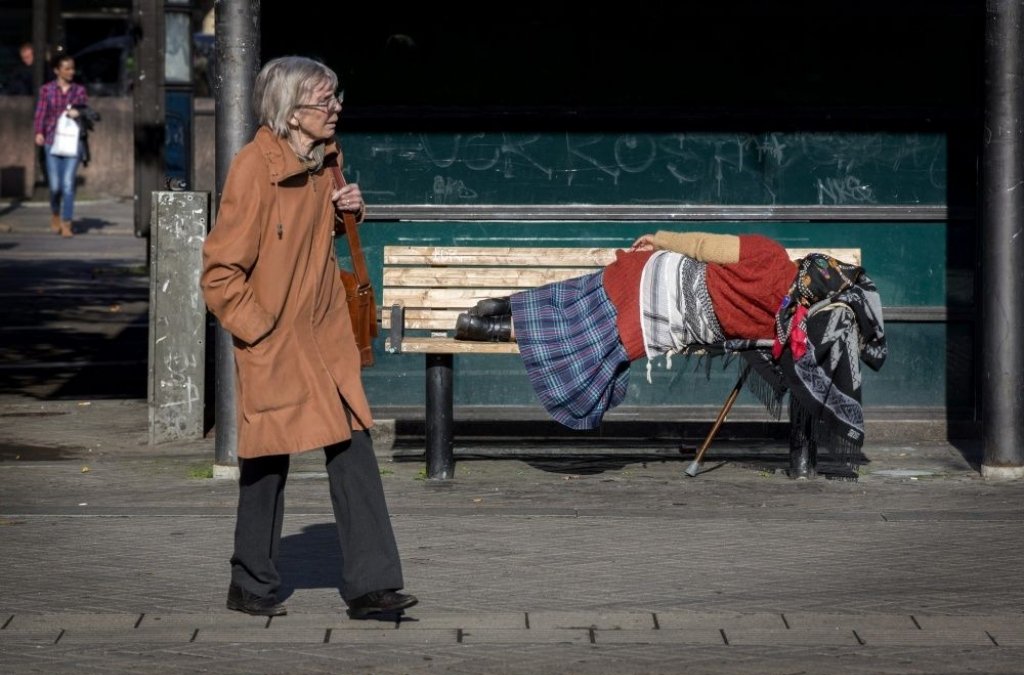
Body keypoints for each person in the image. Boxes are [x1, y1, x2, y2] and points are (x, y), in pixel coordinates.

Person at [200, 56, 416, 619]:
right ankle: (250, 583)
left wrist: (351, 209)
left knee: (353, 447)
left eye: (336, 97)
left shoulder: (325, 164)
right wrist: (259, 331)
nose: (336, 108)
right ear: (291, 113)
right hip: (273, 338)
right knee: (267, 459)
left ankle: (372, 586)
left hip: (323, 338)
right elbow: (219, 272)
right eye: (325, 101)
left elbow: (315, 246)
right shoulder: (254, 168)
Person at [455, 231, 887, 476]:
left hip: (654, 273)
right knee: (586, 337)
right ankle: (490, 328)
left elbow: (703, 245)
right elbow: (778, 354)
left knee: (583, 297)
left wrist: (659, 238)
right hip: (655, 320)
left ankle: (502, 307)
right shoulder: (784, 324)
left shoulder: (769, 255)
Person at [33, 53, 87, 238]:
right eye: (67, 68)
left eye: (72, 68)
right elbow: (41, 112)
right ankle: (55, 213)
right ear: (57, 70)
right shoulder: (46, 90)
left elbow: (85, 110)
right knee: (55, 186)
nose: (71, 71)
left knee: (68, 184)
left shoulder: (78, 90)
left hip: (73, 142)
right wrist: (39, 132)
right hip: (51, 141)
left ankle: (67, 222)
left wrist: (77, 112)